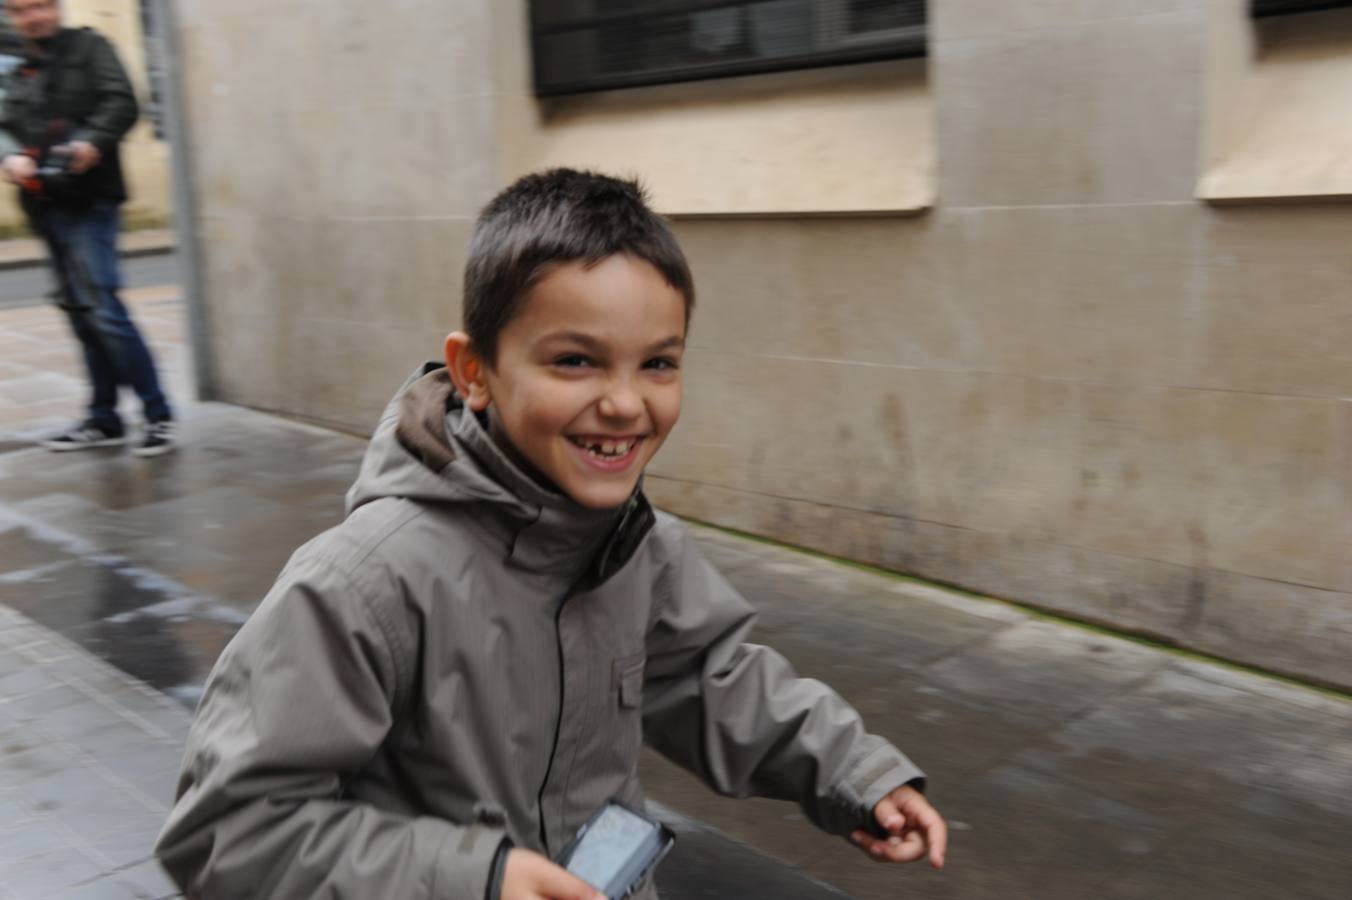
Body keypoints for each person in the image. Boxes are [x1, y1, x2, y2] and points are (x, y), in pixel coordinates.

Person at [154, 169, 947, 899]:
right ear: (474, 373)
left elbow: (712, 678)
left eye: (659, 364)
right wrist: (478, 882)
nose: (626, 403)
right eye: (576, 361)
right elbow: (228, 832)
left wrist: (853, 773)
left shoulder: (638, 545)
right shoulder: (365, 583)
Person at [0, 0, 175, 456]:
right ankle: (103, 419)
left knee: (102, 305)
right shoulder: (15, 66)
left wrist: (92, 143)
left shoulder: (90, 47)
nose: (32, 17)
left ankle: (157, 416)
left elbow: (122, 101)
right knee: (78, 311)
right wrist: (9, 157)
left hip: (92, 197)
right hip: (43, 201)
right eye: (20, 10)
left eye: (38, 6)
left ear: (54, 7)